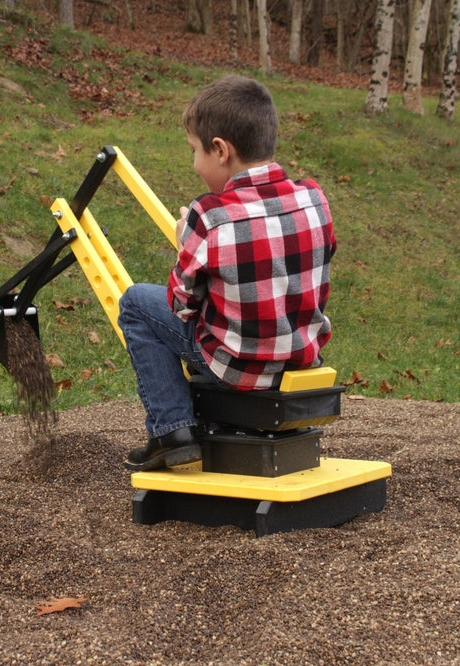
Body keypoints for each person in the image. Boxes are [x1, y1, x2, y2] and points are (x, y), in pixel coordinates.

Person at [118, 75, 336, 472]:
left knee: (136, 304)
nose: (194, 163)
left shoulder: (211, 216)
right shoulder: (313, 199)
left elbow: (181, 306)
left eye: (194, 151)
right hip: (302, 360)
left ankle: (172, 429)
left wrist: (188, 240)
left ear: (220, 150)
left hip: (238, 368)